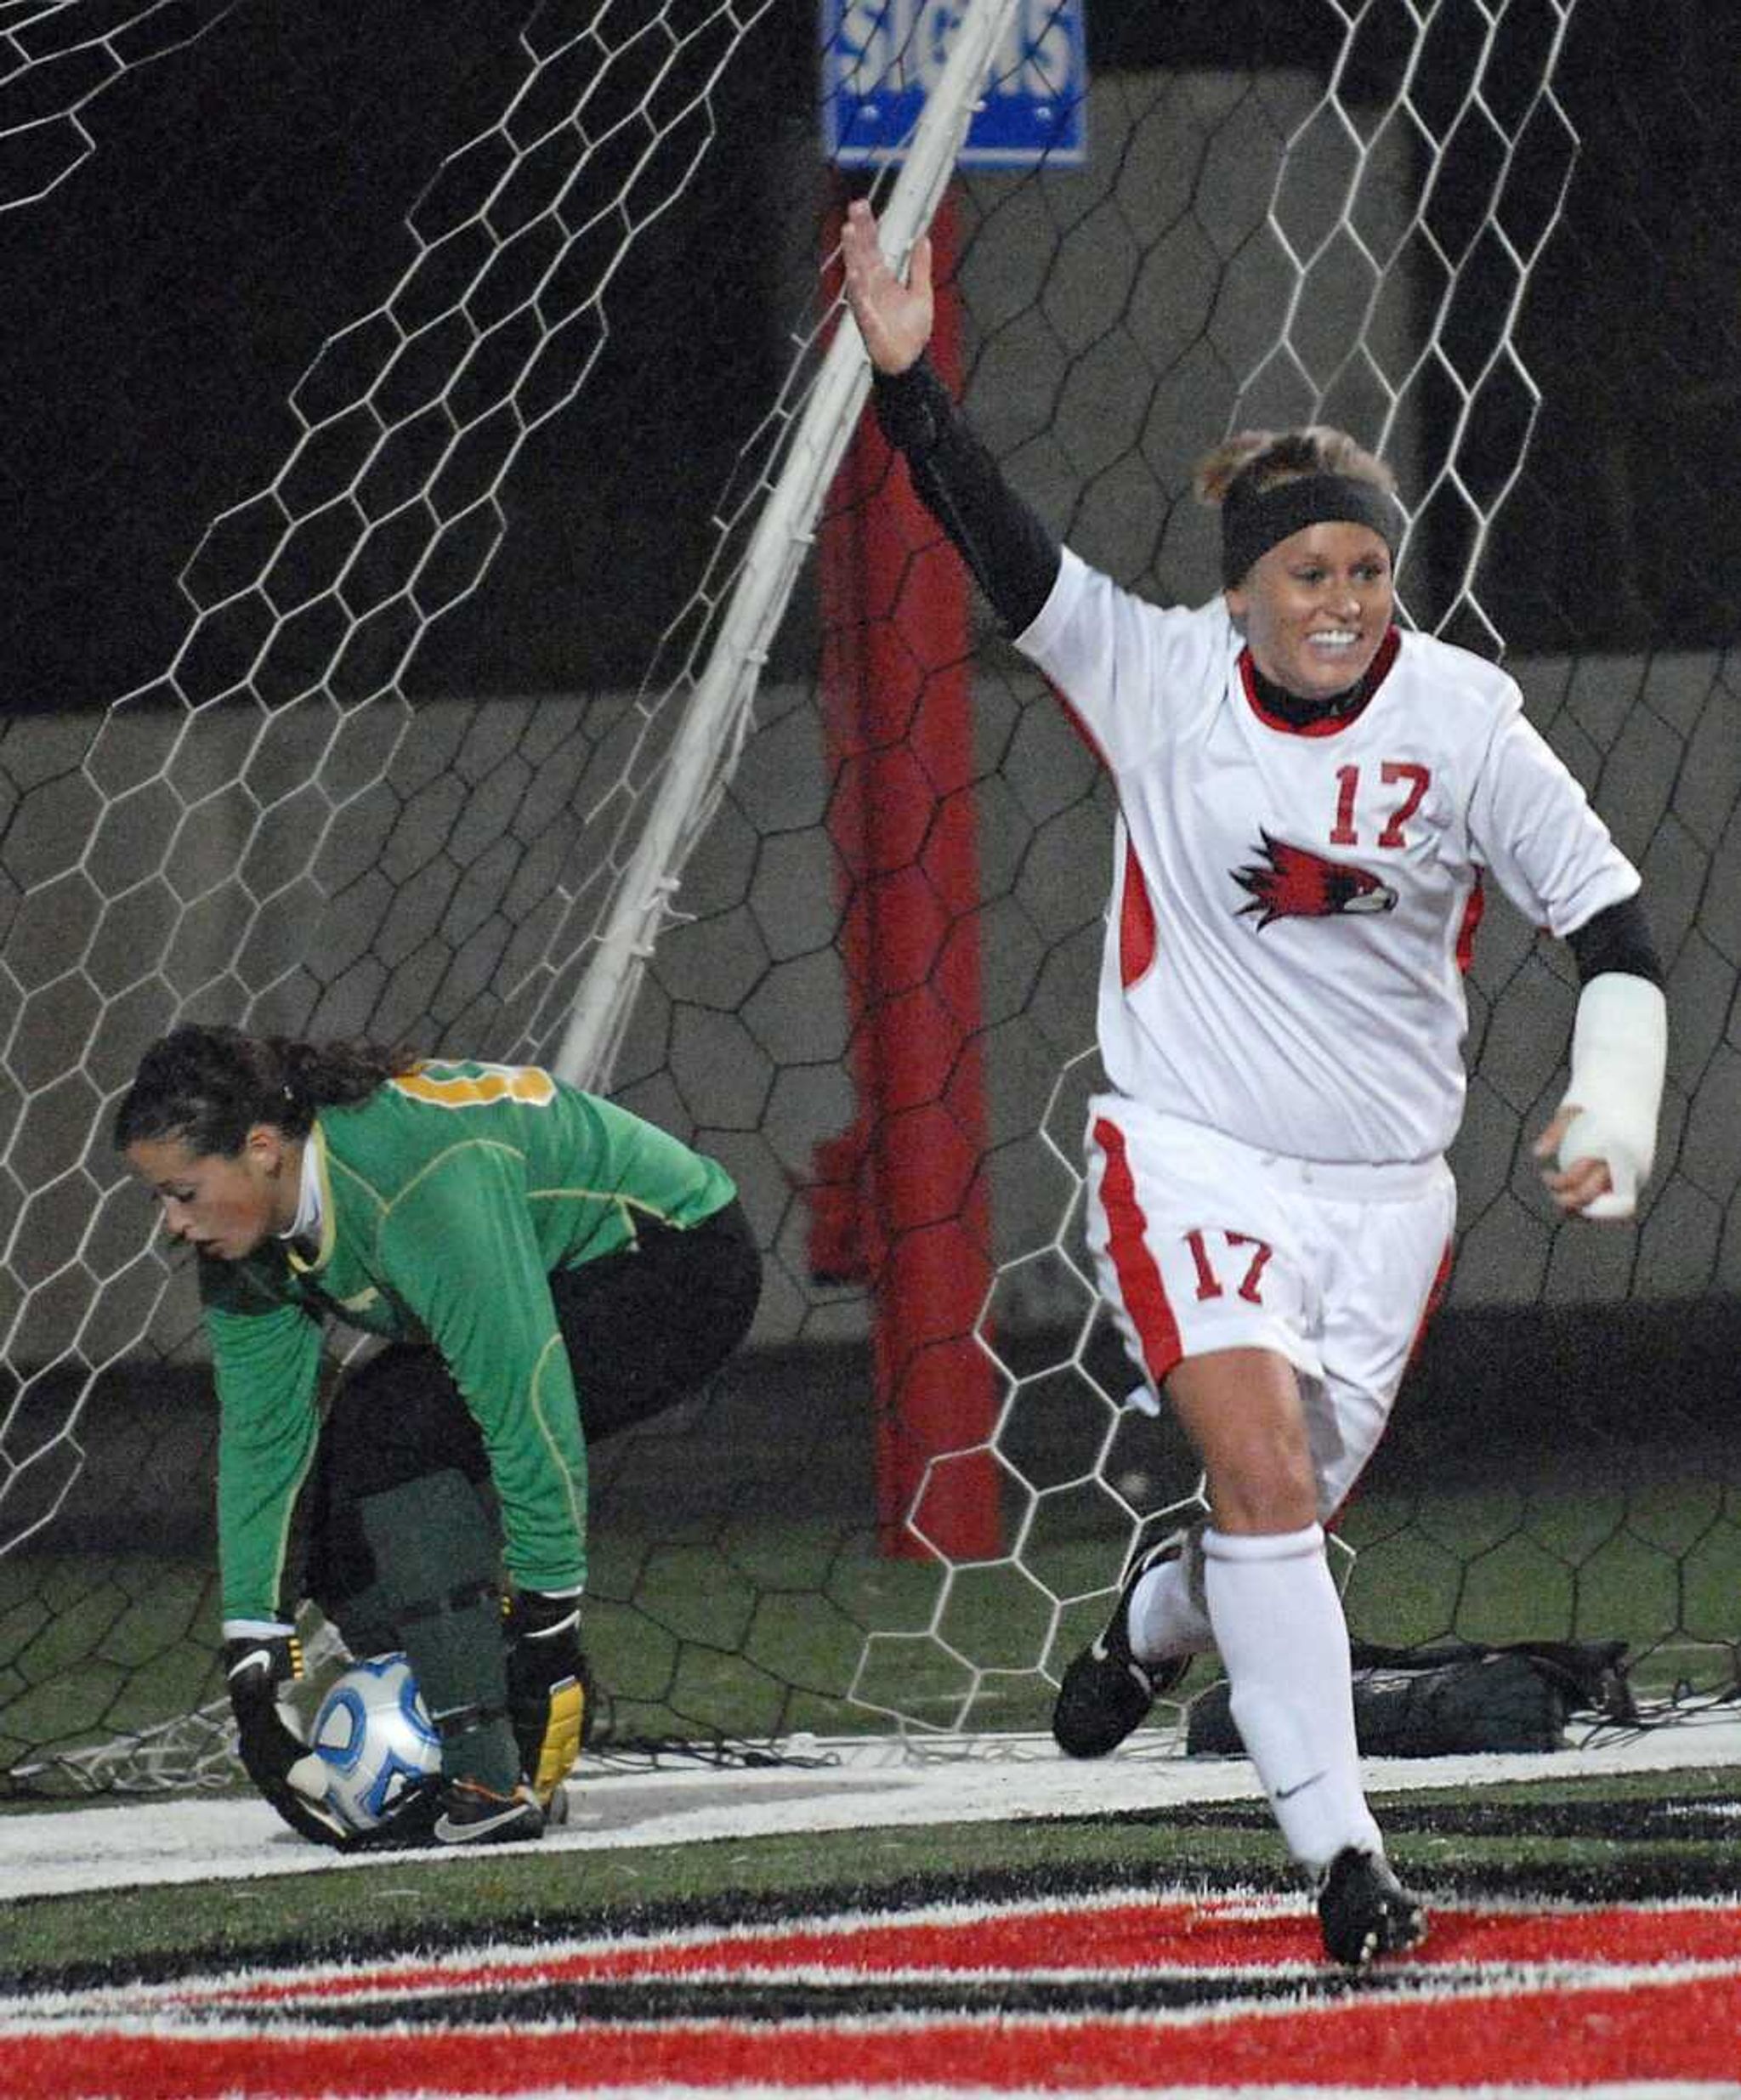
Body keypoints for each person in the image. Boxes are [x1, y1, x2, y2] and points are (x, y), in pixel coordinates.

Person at [839, 198, 1667, 1966]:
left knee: (1253, 1519)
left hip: (1386, 1200)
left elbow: (1612, 927)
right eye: (1309, 572)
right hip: (1191, 1153)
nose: (1344, 601)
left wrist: (1611, 1104)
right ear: (1241, 587)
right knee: (1269, 1480)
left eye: (1366, 571)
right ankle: (1347, 1859)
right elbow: (1005, 550)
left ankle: (1154, 1617)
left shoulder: (1460, 716)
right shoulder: (1152, 678)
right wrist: (909, 389)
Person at [115, 1025, 761, 1848]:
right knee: (339, 1508)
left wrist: (547, 1628)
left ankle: (488, 1774)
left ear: (263, 1148)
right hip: (557, 1274)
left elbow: (525, 1407)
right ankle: (485, 1733)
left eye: (183, 1191)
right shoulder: (245, 1242)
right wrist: (255, 1665)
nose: (172, 1223)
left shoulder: (418, 1179)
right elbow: (265, 1441)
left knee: (394, 1435)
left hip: (678, 1260)